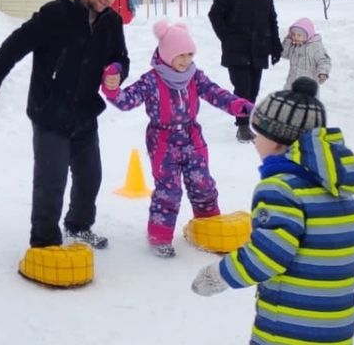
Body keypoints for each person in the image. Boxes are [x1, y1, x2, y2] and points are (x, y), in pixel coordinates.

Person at [191, 78, 354, 345]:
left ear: (280, 141)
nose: (255, 138)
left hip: (289, 327)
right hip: (332, 327)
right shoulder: (336, 190)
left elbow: (269, 254)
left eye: (260, 132)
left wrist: (220, 274)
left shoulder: (280, 189)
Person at [0, 0, 130, 250]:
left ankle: (78, 225)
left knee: (90, 176)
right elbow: (16, 44)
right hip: (50, 109)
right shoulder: (56, 14)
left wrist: (117, 72)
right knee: (51, 179)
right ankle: (44, 241)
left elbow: (120, 57)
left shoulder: (111, 21)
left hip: (85, 110)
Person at [101, 20, 252, 257]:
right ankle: (160, 237)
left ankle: (208, 227)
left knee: (203, 184)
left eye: (190, 54)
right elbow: (126, 100)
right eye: (180, 55)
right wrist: (112, 89)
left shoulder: (194, 76)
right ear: (166, 54)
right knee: (168, 191)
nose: (186, 60)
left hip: (192, 137)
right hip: (163, 140)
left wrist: (236, 104)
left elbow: (214, 92)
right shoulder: (151, 80)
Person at [209, 0, 280, 143]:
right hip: (237, 50)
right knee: (242, 87)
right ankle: (242, 126)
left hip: (259, 49)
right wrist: (226, 37)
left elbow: (272, 21)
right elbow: (215, 15)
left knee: (254, 89)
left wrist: (275, 45)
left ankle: (247, 121)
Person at [280, 17, 331, 88]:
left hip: (309, 85)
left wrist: (323, 72)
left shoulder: (315, 46)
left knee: (307, 99)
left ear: (307, 35)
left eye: (299, 35)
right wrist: (288, 40)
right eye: (293, 34)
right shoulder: (294, 45)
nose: (295, 37)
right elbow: (283, 54)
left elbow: (324, 60)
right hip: (292, 83)